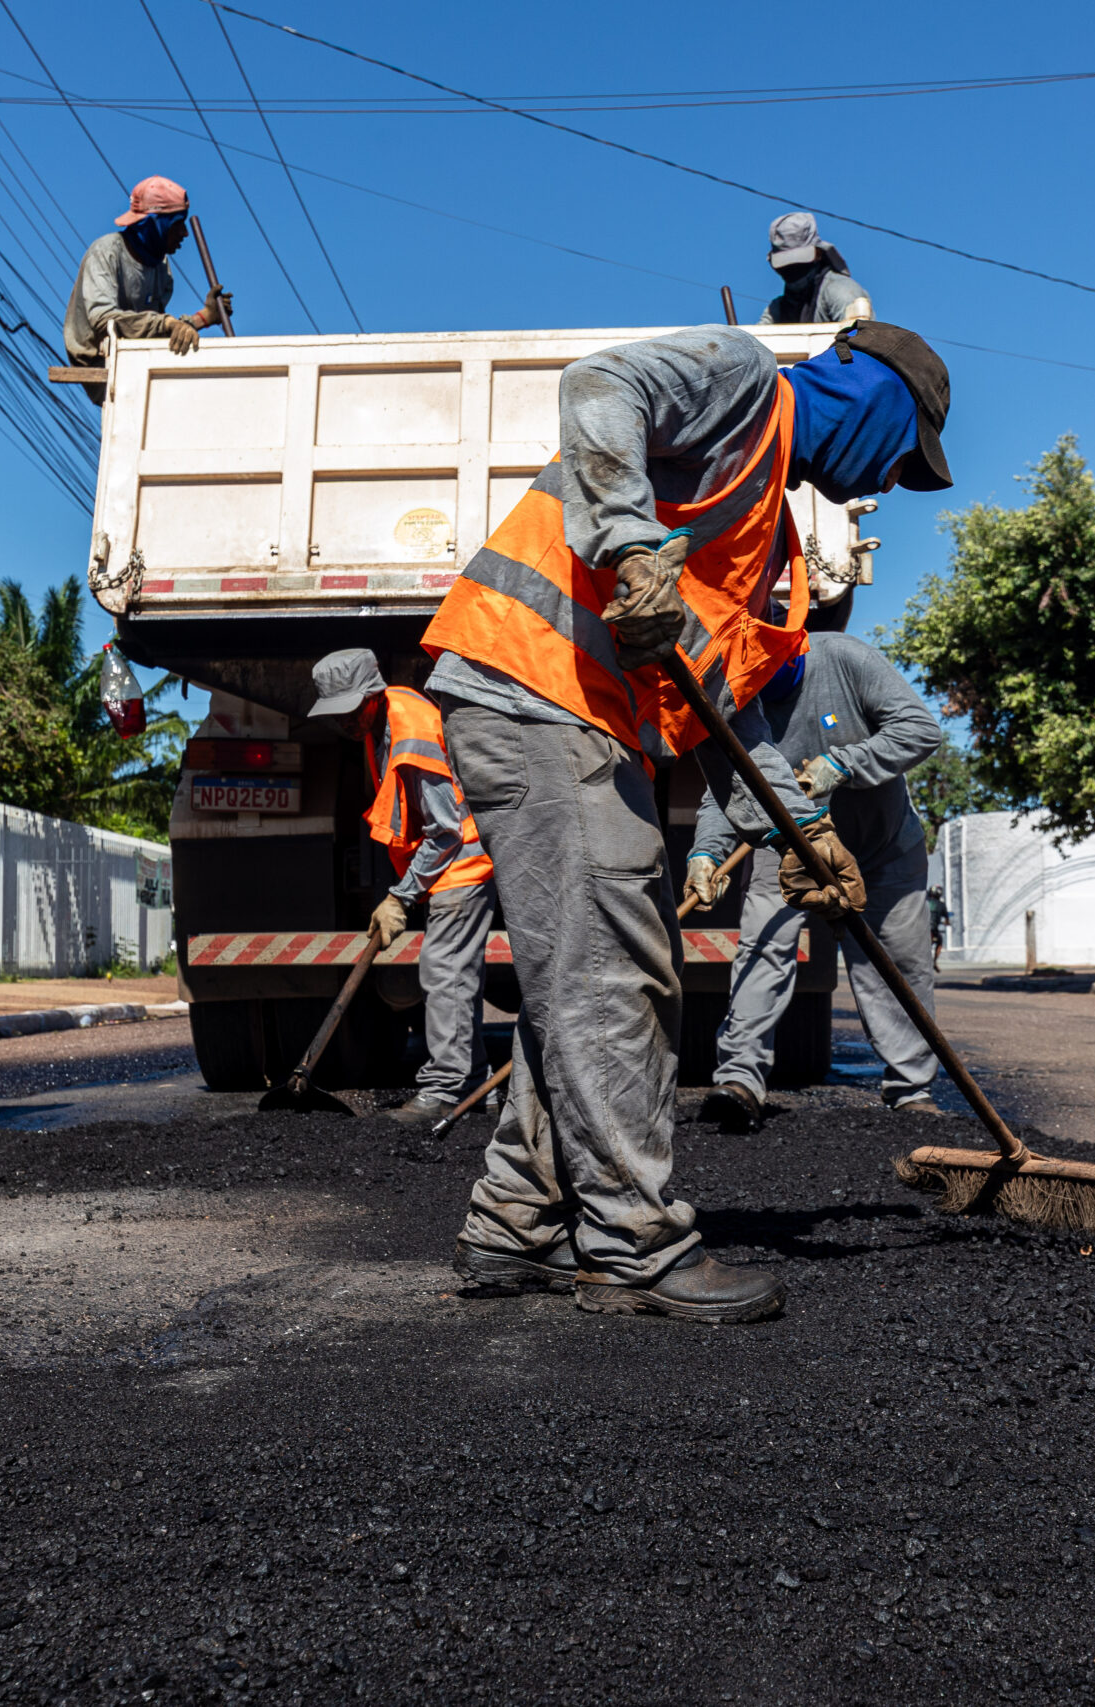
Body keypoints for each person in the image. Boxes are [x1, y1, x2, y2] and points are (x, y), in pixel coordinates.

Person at [421, 318, 952, 1325]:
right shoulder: (743, 380)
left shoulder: (761, 533)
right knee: (614, 974)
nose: (882, 477)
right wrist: (627, 546)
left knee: (582, 975)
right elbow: (597, 382)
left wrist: (811, 837)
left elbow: (729, 718)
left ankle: (517, 1224)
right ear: (873, 391)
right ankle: (631, 1247)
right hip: (535, 688)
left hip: (568, 709)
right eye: (899, 448)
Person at [686, 631, 943, 1131]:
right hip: (788, 845)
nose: (758, 682)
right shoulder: (741, 693)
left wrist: (844, 763)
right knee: (761, 947)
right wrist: (705, 852)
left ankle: (911, 1090)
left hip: (881, 850)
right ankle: (740, 1079)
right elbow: (727, 789)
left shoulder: (847, 660)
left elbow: (920, 729)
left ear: (794, 647)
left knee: (896, 962)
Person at [307, 648, 496, 1125]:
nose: (346, 723)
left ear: (373, 695)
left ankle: (444, 1089)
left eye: (352, 710)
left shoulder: (411, 733)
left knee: (444, 971)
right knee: (453, 976)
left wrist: (401, 895)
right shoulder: (384, 720)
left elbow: (446, 830)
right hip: (446, 866)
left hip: (462, 862)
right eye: (337, 715)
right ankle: (472, 1083)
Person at [61, 174, 235, 401]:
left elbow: (154, 334)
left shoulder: (161, 268)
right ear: (154, 225)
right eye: (177, 225)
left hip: (134, 358)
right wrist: (168, 324)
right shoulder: (105, 253)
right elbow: (104, 320)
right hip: (100, 360)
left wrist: (204, 318)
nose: (184, 233)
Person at [757, 211, 873, 327]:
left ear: (818, 254)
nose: (793, 272)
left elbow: (859, 337)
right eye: (786, 267)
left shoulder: (841, 291)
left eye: (799, 264)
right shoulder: (777, 309)